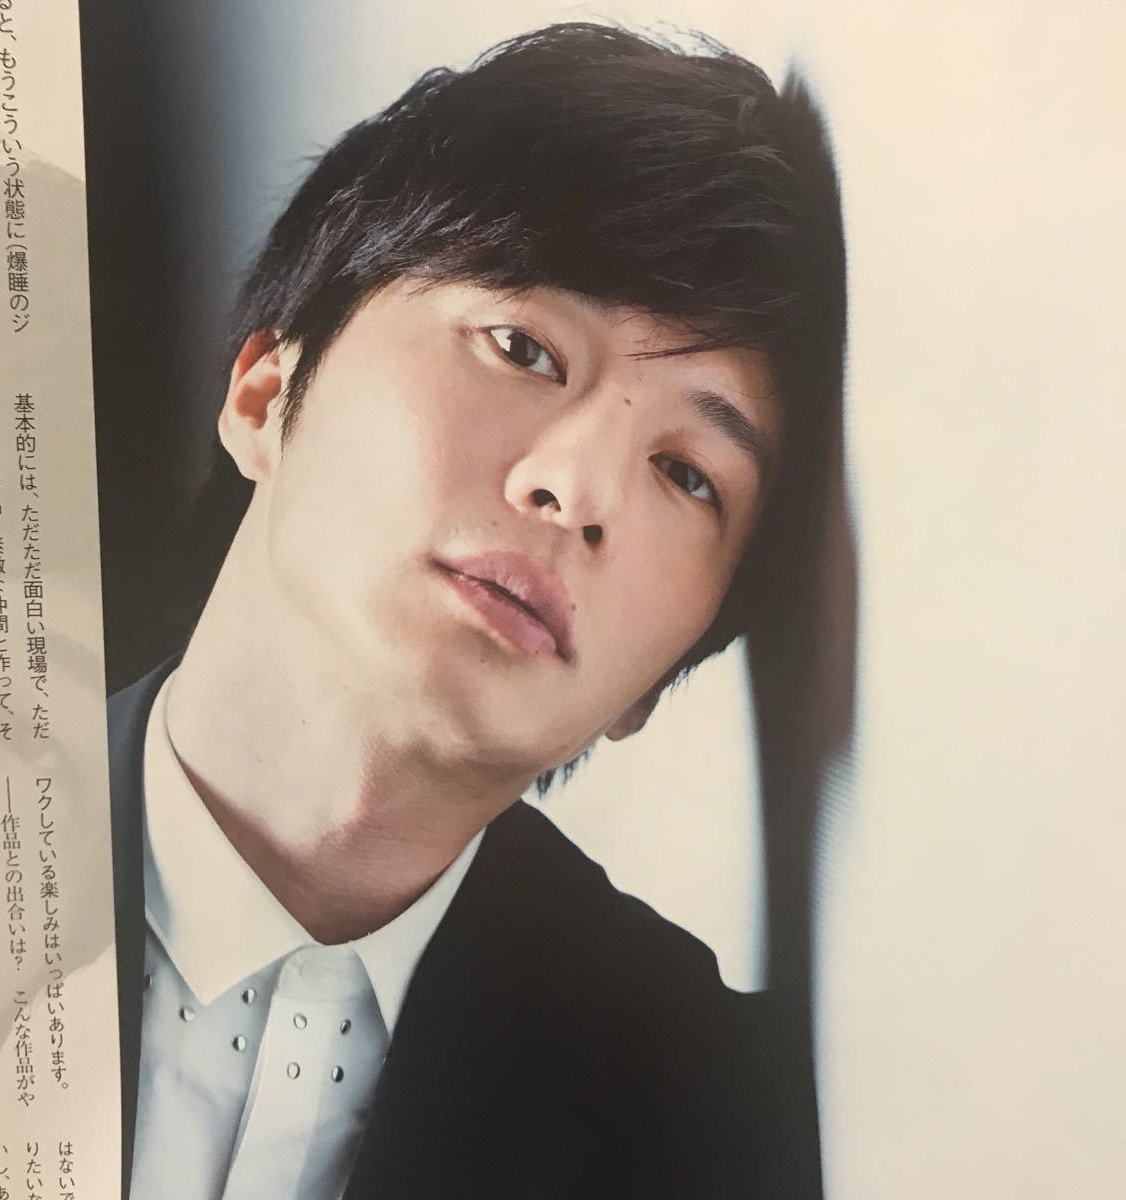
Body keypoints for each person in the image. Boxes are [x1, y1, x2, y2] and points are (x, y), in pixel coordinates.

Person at [108, 21, 836, 1200]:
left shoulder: (712, 1124)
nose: (577, 488)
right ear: (265, 391)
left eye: (686, 473)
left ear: (659, 680)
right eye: (523, 348)